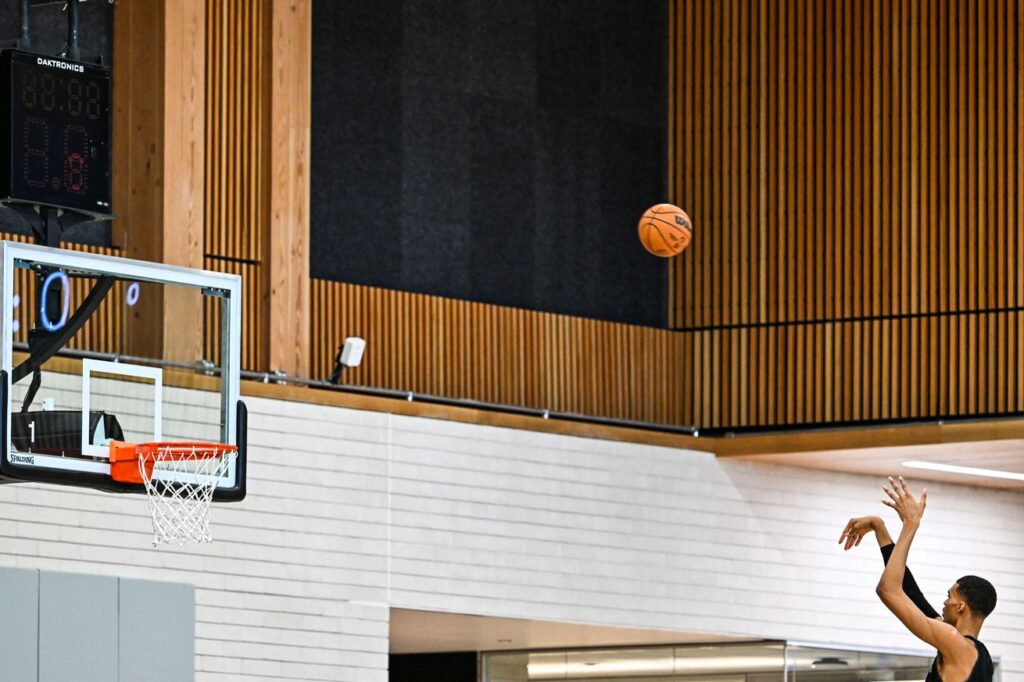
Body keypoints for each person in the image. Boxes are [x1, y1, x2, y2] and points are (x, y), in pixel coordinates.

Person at [838, 476, 996, 682]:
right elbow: (911, 593)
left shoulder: (954, 643)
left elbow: (888, 589)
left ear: (960, 607)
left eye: (949, 596)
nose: (944, 602)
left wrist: (910, 524)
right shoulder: (978, 655)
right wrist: (880, 528)